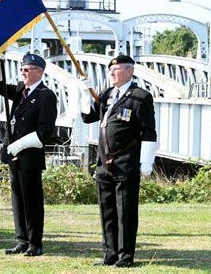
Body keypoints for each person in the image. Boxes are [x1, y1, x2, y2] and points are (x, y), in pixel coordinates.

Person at [80, 55, 159, 268]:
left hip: (126, 162)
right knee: (107, 211)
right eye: (111, 71)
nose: (112, 74)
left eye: (117, 70)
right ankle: (110, 254)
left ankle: (125, 257)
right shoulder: (107, 94)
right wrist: (86, 94)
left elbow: (149, 131)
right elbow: (88, 117)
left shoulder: (140, 97)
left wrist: (146, 162)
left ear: (129, 72)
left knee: (125, 212)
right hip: (104, 162)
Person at [0, 53, 57, 257]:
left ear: (39, 72)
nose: (23, 72)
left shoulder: (46, 95)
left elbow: (44, 132)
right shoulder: (22, 90)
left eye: (27, 69)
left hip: (29, 155)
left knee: (32, 201)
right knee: (18, 199)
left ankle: (35, 242)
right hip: (13, 155)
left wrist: (20, 144)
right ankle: (22, 240)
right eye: (22, 69)